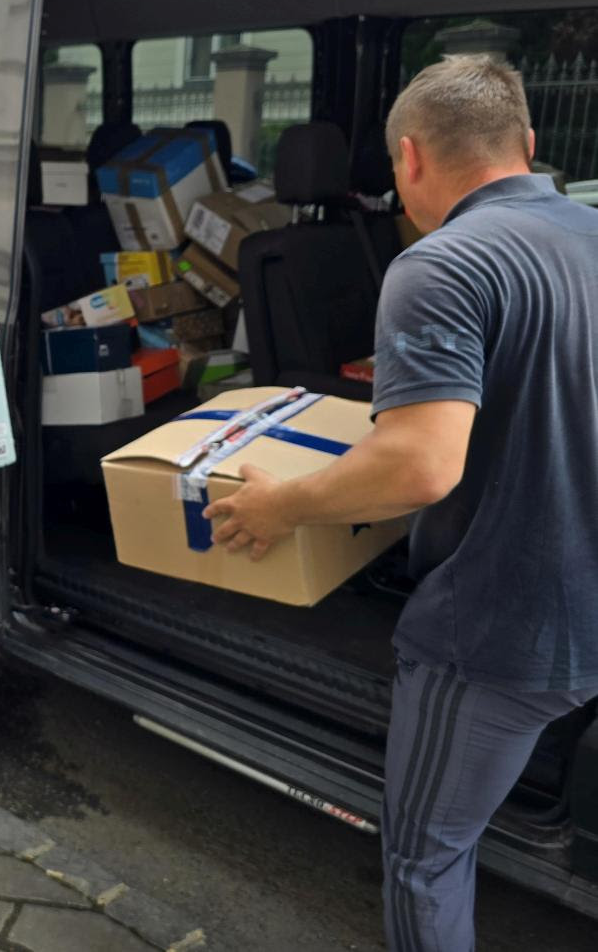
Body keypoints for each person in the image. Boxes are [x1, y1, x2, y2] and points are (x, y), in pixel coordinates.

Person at [203, 55, 598, 951]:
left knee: (425, 860)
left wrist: (283, 507)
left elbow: (420, 469)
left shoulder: (442, 265)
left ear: (408, 160)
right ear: (529, 146)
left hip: (501, 630)